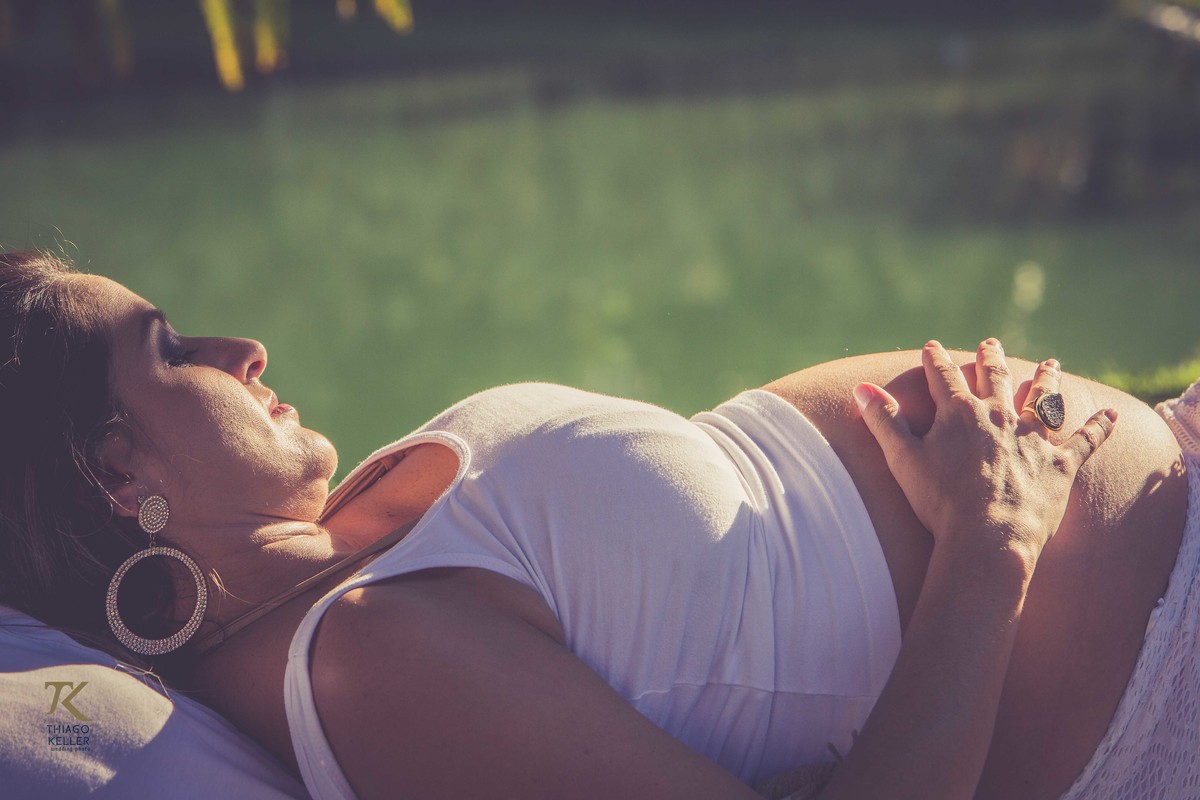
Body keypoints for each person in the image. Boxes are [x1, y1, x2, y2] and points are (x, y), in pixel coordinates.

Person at [0, 248, 1193, 800]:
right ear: (116, 471)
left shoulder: (346, 542)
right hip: (1159, 669)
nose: (239, 348)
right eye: (168, 349)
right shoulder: (366, 663)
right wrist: (991, 539)